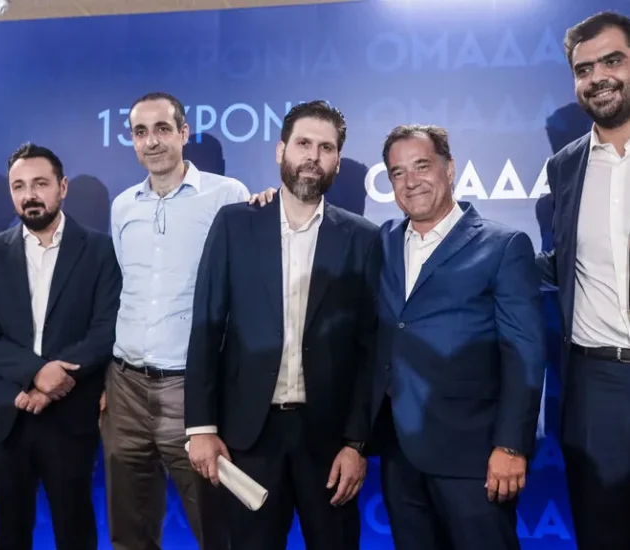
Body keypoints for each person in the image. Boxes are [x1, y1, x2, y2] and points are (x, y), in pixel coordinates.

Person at [185, 100, 380, 550]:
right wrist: (201, 427)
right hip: (248, 437)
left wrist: (356, 443)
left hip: (328, 440)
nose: (313, 156)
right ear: (280, 151)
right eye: (303, 143)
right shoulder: (235, 223)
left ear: (337, 160)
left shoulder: (363, 239)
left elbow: (370, 350)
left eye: (326, 148)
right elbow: (207, 327)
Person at [370, 124, 545, 550]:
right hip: (399, 456)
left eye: (422, 166)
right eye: (397, 172)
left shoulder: (503, 246)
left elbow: (524, 353)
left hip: (475, 459)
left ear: (450, 170)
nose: (410, 181)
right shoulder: (382, 241)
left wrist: (511, 445)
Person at [101, 91, 260, 550]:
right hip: (125, 387)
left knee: (215, 528)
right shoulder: (123, 205)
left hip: (191, 390)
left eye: (162, 129)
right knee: (130, 530)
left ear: (183, 133)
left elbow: (247, 286)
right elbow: (125, 287)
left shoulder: (227, 195)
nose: (152, 141)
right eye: (140, 132)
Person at [0, 143, 122, 550]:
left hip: (71, 415)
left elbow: (106, 329)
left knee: (75, 533)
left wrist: (54, 383)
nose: (29, 194)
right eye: (18, 186)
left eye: (40, 183)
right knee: (8, 534)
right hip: (7, 414)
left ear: (62, 187)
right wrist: (37, 373)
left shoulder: (100, 250)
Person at [536, 11, 630, 549]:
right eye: (584, 69)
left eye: (613, 60)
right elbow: (561, 264)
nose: (598, 78)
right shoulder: (565, 167)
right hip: (597, 387)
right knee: (602, 532)